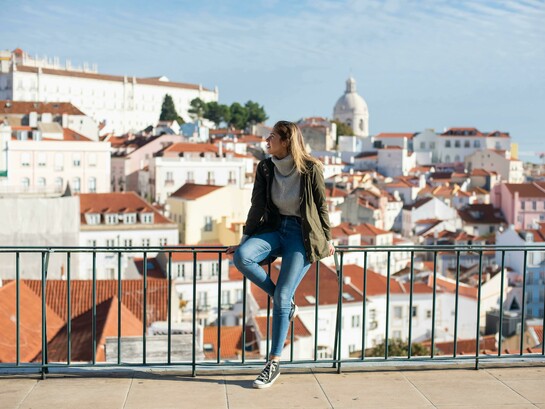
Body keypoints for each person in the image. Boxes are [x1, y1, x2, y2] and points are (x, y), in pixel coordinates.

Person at [226, 120, 335, 389]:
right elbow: (257, 204)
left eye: (272, 137)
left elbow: (321, 206)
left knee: (284, 296)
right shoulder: (265, 167)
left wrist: (328, 238)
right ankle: (282, 301)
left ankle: (273, 362)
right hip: (276, 228)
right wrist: (246, 239)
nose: (267, 141)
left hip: (302, 234)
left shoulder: (310, 169)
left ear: (286, 141)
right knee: (243, 257)